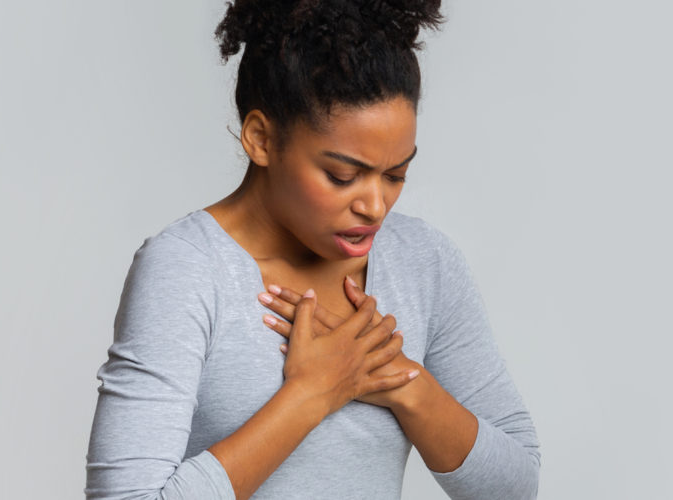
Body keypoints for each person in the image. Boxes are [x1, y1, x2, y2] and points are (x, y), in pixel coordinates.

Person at [85, 1, 540, 499]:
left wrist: (405, 384)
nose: (374, 205)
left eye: (396, 175)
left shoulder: (422, 263)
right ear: (261, 139)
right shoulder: (189, 270)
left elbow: (514, 486)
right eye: (342, 176)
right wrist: (312, 393)